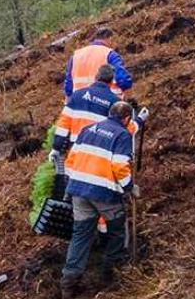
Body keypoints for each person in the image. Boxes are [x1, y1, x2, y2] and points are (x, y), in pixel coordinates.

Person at [60, 102, 141, 299]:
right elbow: (120, 166)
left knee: (81, 235)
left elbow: (70, 160)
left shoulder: (88, 129)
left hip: (78, 190)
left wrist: (71, 182)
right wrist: (130, 187)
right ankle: (111, 273)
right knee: (117, 230)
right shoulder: (122, 135)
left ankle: (69, 281)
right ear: (126, 119)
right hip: (104, 193)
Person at [49, 65, 148, 199]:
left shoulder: (77, 96)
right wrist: (140, 120)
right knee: (98, 188)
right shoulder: (115, 102)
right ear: (112, 81)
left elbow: (63, 125)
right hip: (102, 152)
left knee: (77, 186)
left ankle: (75, 215)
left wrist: (56, 147)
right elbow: (126, 129)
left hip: (78, 149)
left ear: (96, 77)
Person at [64, 28, 133, 99]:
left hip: (80, 102)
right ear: (110, 38)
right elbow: (123, 79)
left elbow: (68, 87)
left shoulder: (76, 56)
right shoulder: (110, 54)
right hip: (106, 102)